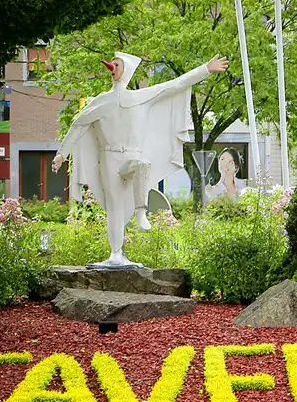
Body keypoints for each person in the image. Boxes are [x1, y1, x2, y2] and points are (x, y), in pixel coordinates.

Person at [52, 52, 229, 267]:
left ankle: (140, 212)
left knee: (142, 166)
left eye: (117, 65)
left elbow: (175, 84)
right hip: (109, 157)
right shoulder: (101, 101)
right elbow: (78, 125)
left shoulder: (141, 97)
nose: (112, 68)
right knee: (115, 207)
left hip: (132, 156)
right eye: (112, 65)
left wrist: (205, 69)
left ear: (125, 70)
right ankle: (116, 254)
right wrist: (62, 153)